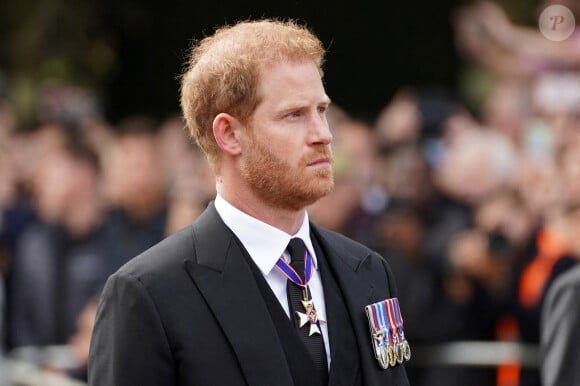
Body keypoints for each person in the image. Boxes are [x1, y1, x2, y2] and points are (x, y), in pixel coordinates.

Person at [88, 19, 409, 386]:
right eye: (294, 115)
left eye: (321, 111)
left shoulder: (367, 271)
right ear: (229, 134)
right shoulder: (150, 294)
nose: (323, 134)